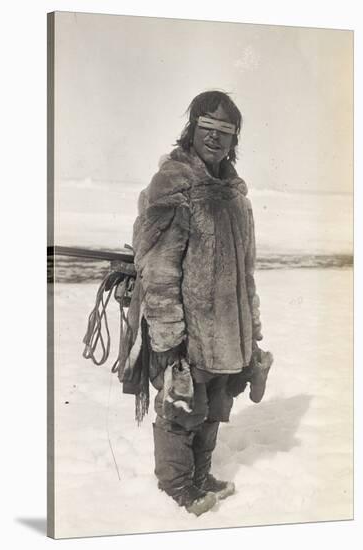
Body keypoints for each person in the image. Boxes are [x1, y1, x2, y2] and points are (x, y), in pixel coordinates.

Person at [117, 90, 272, 516]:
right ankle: (177, 486)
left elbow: (246, 272)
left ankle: (201, 475)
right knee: (182, 405)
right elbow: (159, 268)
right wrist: (167, 336)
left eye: (226, 131)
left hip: (228, 327)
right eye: (208, 127)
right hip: (188, 329)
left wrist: (251, 329)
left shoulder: (236, 196)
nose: (215, 138)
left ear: (234, 139)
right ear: (193, 129)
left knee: (215, 403)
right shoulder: (172, 184)